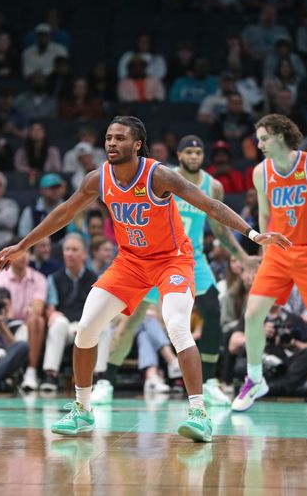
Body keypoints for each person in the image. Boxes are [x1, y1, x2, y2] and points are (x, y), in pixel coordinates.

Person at [0, 116, 286, 442]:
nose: (112, 144)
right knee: (88, 325)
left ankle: (199, 413)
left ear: (136, 144)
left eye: (120, 138)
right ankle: (82, 409)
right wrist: (22, 245)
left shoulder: (157, 175)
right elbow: (63, 213)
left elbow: (209, 204)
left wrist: (252, 233)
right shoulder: (98, 179)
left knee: (176, 324)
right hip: (130, 262)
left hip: (172, 260)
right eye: (108, 138)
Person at [95, 135, 262, 407]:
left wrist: (242, 255)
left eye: (199, 152)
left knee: (212, 311)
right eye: (189, 152)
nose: (194, 157)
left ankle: (208, 382)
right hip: (156, 256)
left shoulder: (213, 186)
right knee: (133, 319)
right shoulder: (161, 176)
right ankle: (107, 381)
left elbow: (219, 229)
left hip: (192, 257)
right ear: (180, 155)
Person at [231, 114, 307, 417]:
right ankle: (255, 380)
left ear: (281, 136)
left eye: (264, 139)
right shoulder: (261, 172)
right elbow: (264, 212)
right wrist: (262, 244)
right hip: (278, 254)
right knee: (253, 315)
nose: (259, 145)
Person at [40, 234, 106, 392]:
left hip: (87, 324)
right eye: (67, 249)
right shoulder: (54, 278)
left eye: (74, 250)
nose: (69, 253)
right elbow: (51, 308)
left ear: (84, 254)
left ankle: (99, 375)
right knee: (57, 323)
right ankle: (51, 374)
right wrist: (52, 314)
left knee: (105, 327)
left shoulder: (95, 278)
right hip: (67, 325)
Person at [0, 247, 47, 391]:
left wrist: (32, 310)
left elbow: (37, 308)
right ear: (10, 256)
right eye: (20, 253)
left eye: (27, 252)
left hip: (28, 326)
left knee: (38, 320)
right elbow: (0, 311)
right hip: (6, 324)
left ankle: (31, 372)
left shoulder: (39, 278)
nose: (24, 256)